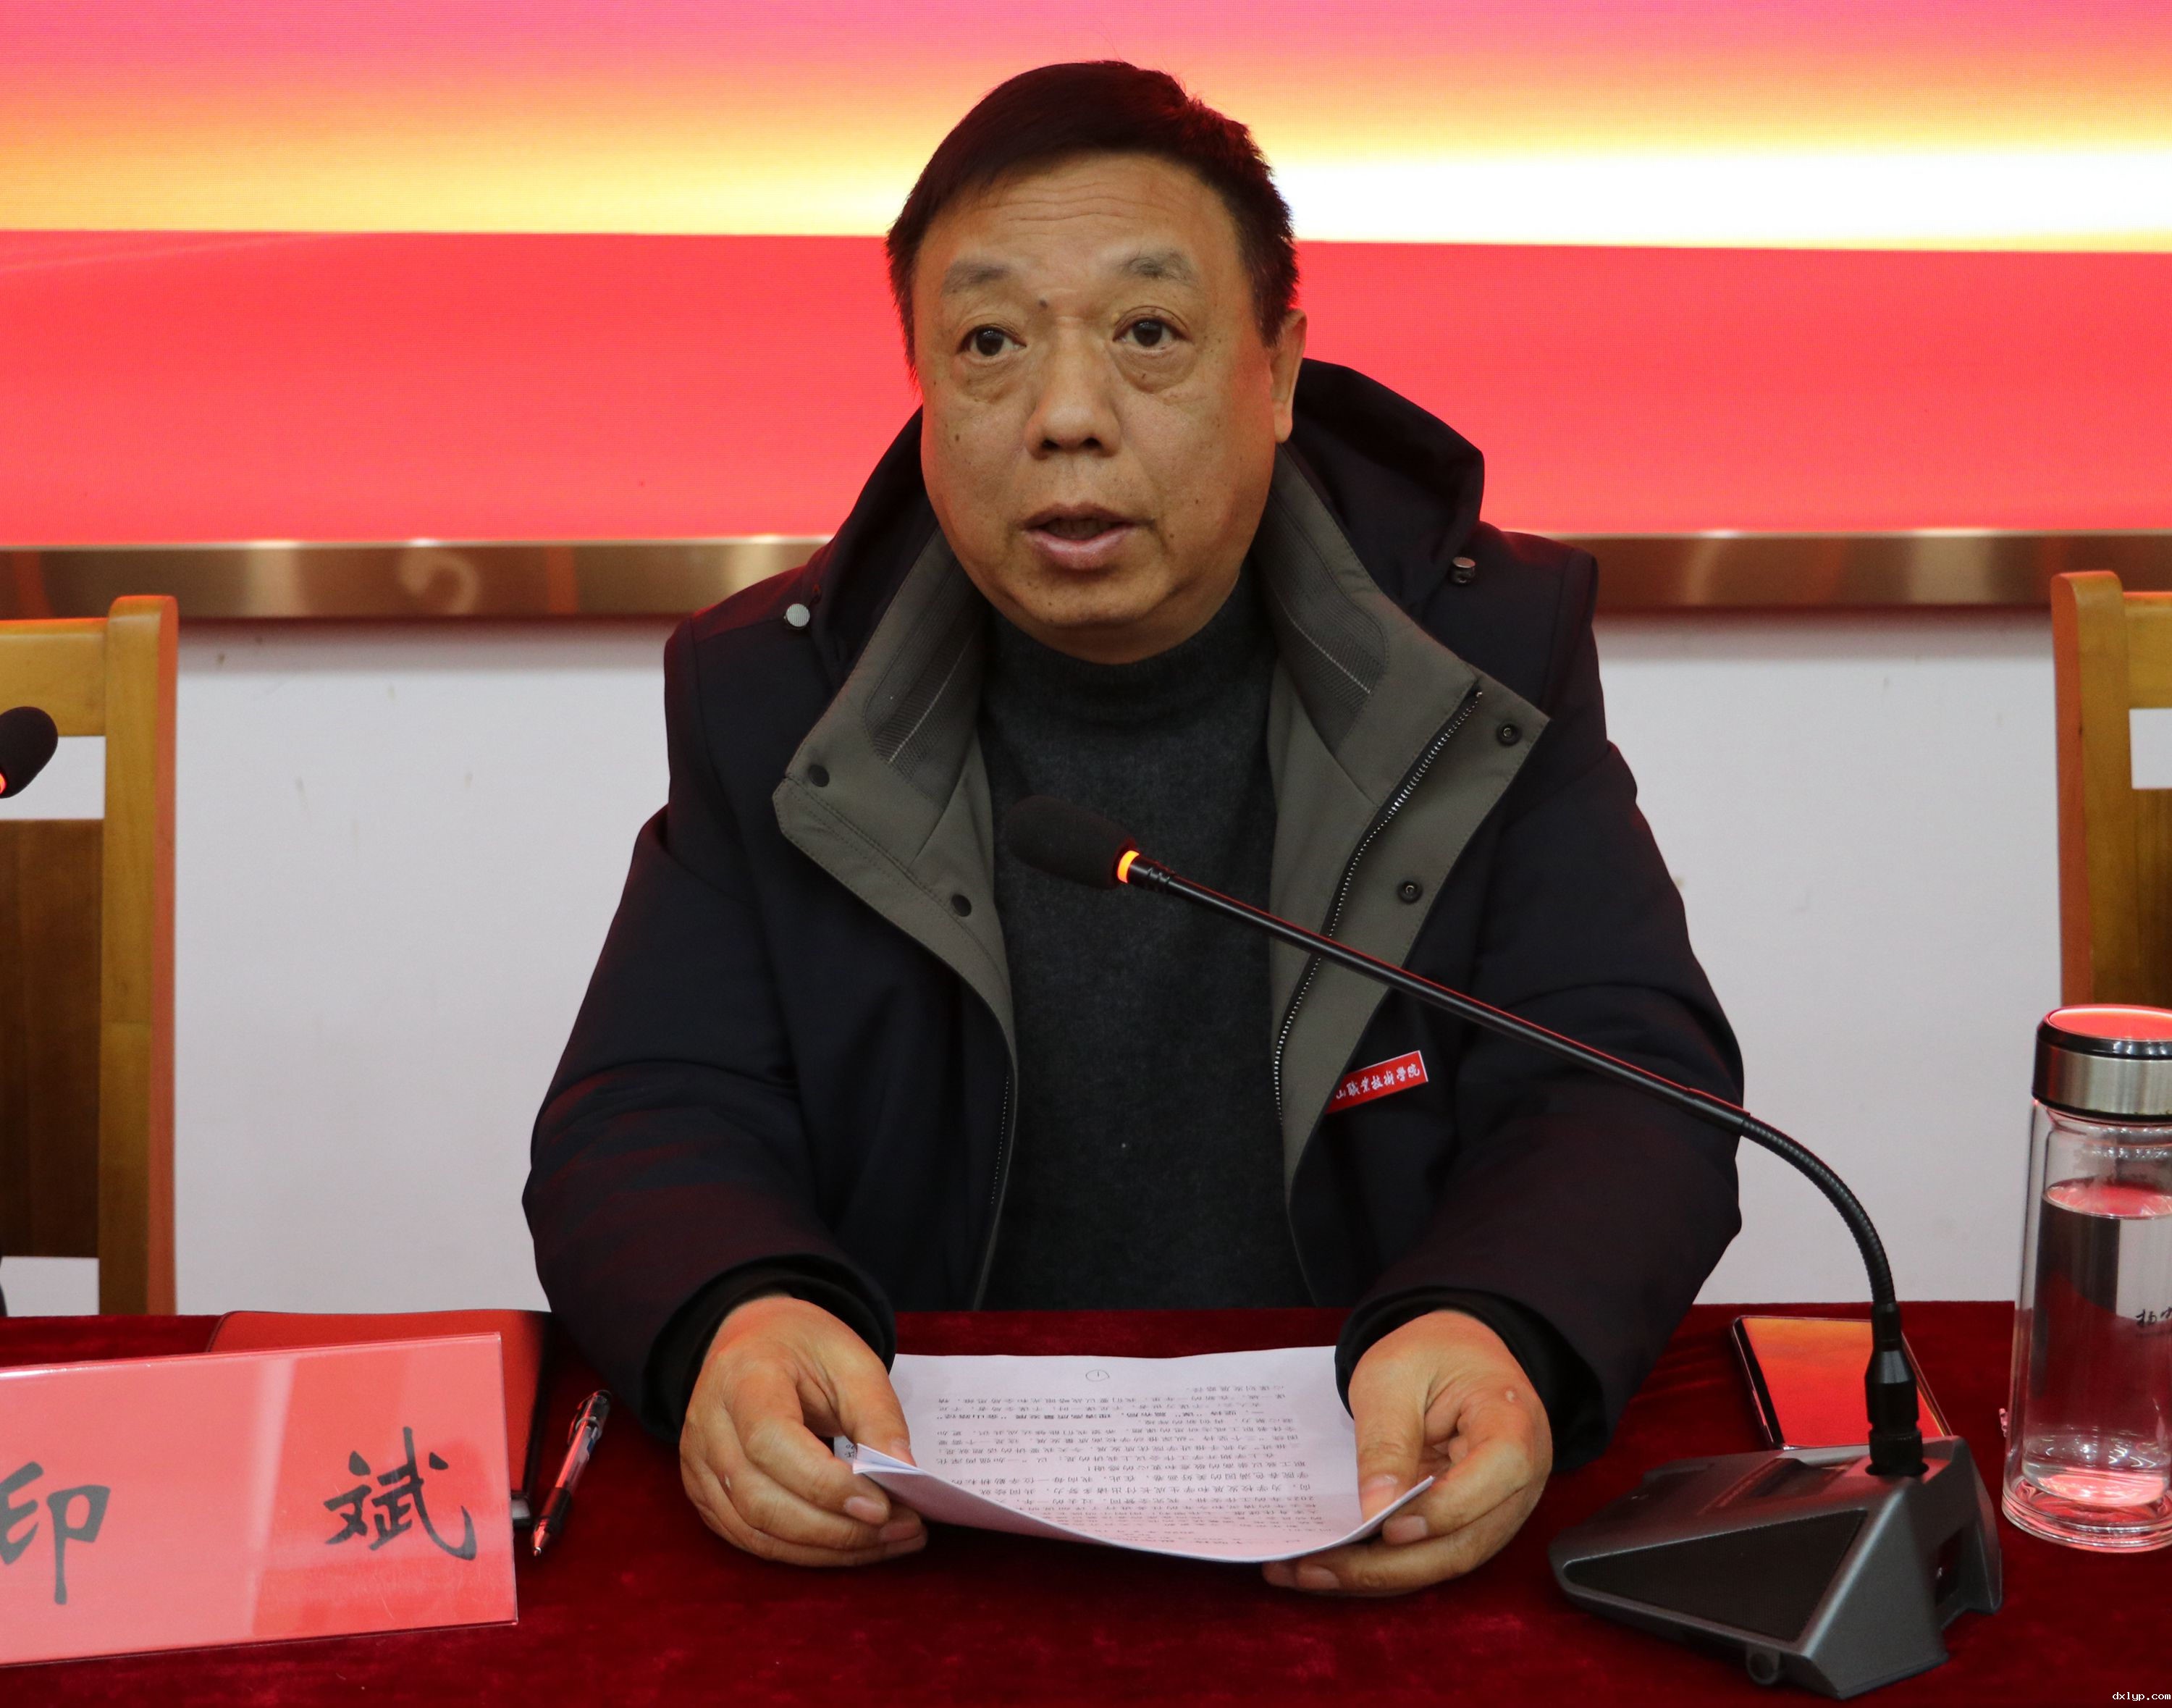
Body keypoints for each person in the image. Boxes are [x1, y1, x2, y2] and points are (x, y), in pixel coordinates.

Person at [526, 61, 1741, 1596]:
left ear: (1277, 371)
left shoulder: (1476, 661)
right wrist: (737, 1308)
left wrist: (1495, 1319)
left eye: (1148, 333)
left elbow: (1628, 1080)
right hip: (924, 1542)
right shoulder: (780, 697)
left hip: (1364, 1495)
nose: (1068, 417)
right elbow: (644, 1107)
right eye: (989, 345)